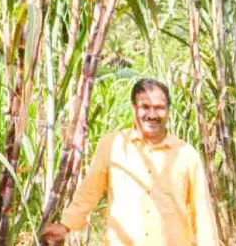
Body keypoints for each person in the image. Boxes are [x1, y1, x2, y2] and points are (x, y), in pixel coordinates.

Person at [42, 79, 219, 246]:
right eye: (145, 107)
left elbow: (202, 210)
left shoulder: (187, 154)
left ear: (168, 111)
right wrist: (66, 225)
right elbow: (89, 191)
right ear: (134, 108)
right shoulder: (112, 145)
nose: (152, 114)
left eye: (159, 108)